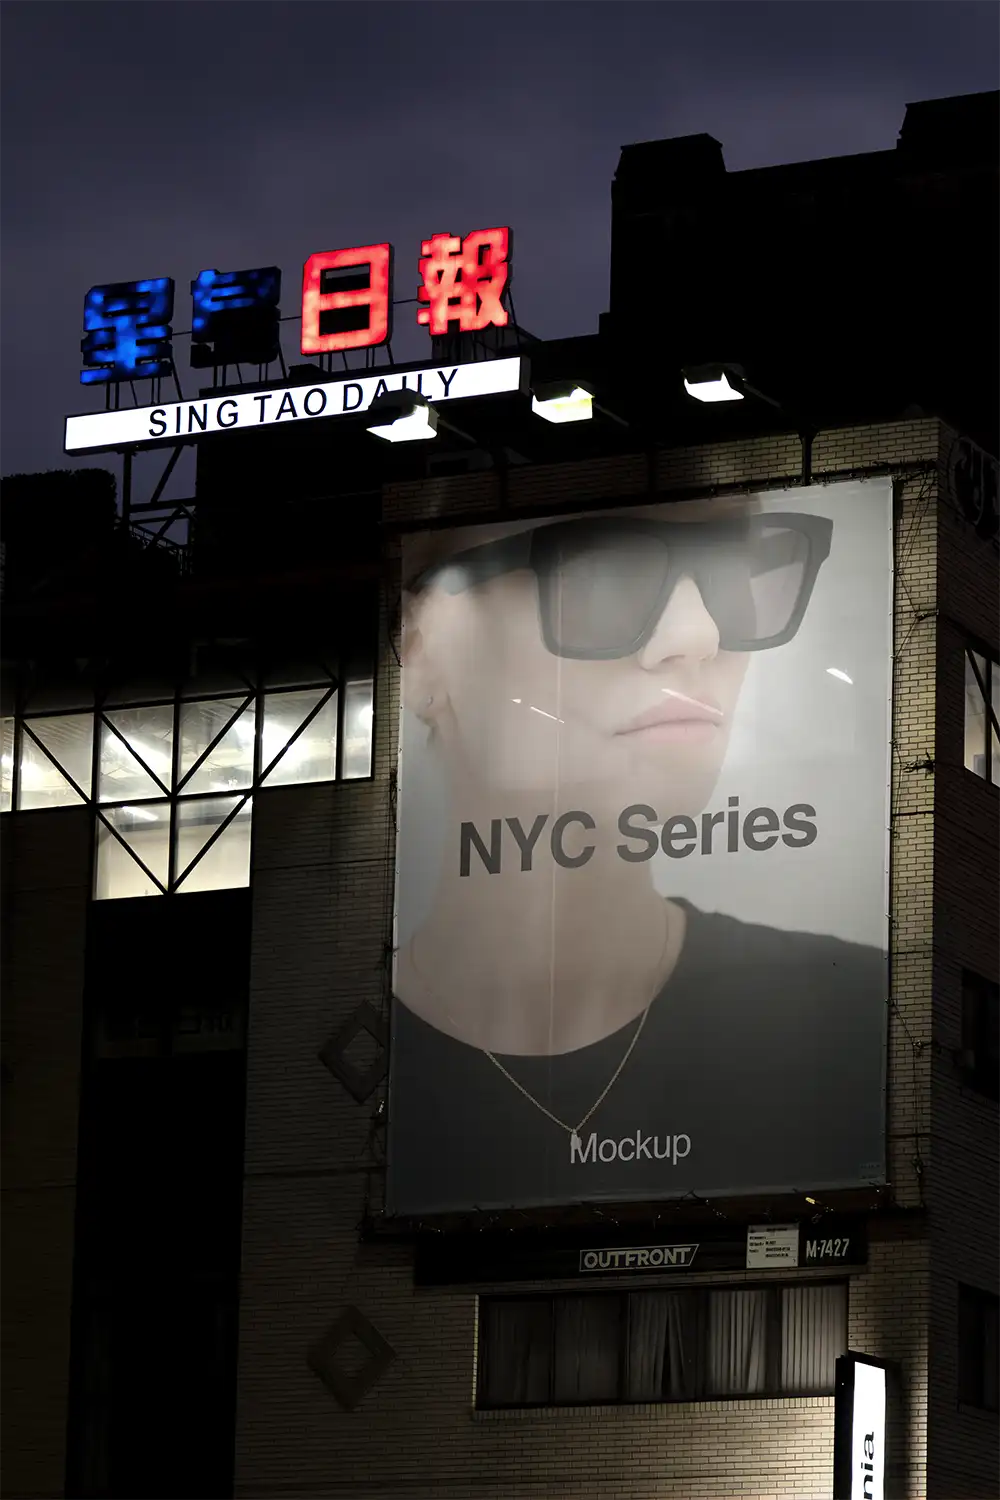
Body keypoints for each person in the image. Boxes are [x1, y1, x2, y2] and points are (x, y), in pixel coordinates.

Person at [389, 493, 887, 1215]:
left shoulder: (859, 1027)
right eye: (601, 573)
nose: (698, 634)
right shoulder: (313, 1091)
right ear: (423, 647)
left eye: (733, 571)